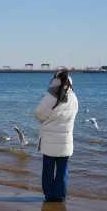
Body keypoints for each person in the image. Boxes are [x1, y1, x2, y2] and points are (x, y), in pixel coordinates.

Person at [35, 70, 78, 202]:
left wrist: (48, 120)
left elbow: (38, 114)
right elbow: (73, 115)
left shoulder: (50, 96)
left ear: (55, 79)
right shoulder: (74, 97)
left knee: (48, 171)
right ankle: (60, 196)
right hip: (66, 142)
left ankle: (49, 195)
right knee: (63, 172)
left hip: (49, 142)